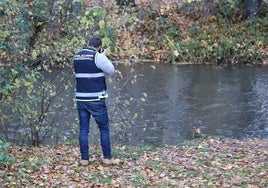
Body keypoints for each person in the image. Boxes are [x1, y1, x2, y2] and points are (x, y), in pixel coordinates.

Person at [73, 36, 119, 166]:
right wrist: (103, 56)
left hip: (81, 99)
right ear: (99, 47)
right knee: (104, 129)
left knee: (83, 130)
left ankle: (84, 159)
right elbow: (111, 70)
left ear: (88, 44)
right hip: (96, 99)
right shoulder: (98, 57)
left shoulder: (76, 56)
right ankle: (107, 158)